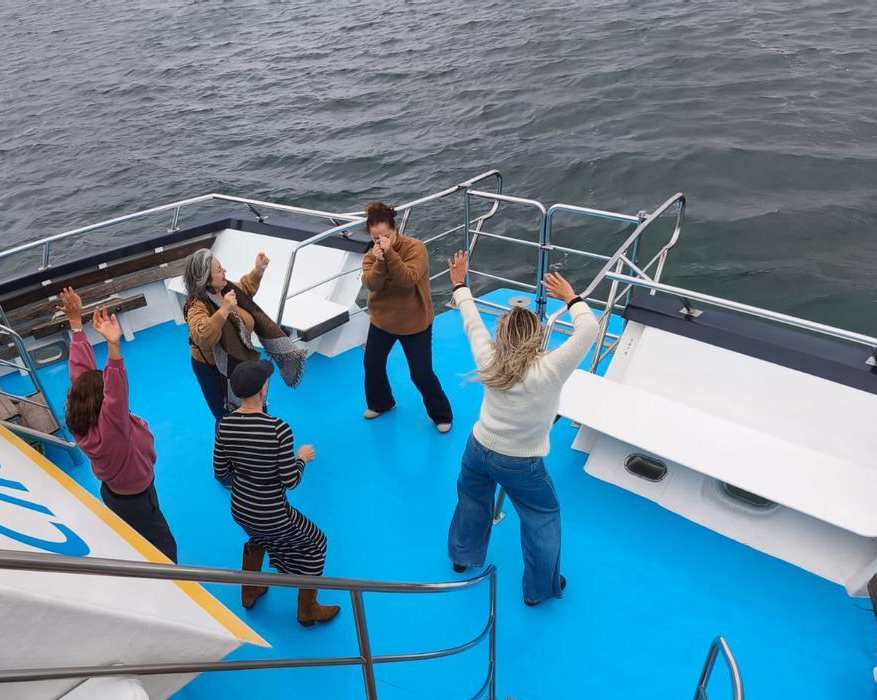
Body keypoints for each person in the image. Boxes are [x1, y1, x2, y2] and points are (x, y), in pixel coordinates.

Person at [443, 251, 599, 605]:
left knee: (472, 501)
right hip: (521, 461)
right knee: (542, 516)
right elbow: (588, 329)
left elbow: (471, 320)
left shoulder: (488, 357)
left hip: (478, 447)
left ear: (502, 334)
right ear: (537, 338)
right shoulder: (550, 368)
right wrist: (571, 297)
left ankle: (462, 557)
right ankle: (539, 589)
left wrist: (459, 283)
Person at [213, 358, 339, 626]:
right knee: (317, 543)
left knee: (258, 539)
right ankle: (308, 609)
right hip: (273, 513)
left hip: (241, 509)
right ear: (263, 390)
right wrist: (302, 458)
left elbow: (221, 470)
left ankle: (249, 591)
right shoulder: (278, 429)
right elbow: (290, 480)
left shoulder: (225, 425)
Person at [59, 286, 178, 562]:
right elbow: (115, 393)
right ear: (104, 405)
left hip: (113, 494)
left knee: (135, 540)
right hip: (139, 500)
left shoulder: (81, 420)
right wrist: (113, 348)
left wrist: (77, 324)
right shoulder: (113, 429)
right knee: (165, 549)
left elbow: (81, 375)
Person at [360, 201, 453, 433]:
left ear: (395, 229)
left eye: (385, 236)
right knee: (372, 364)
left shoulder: (415, 248)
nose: (380, 241)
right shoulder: (371, 255)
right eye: (375, 238)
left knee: (421, 374)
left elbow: (407, 279)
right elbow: (372, 284)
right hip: (382, 321)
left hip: (414, 322)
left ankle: (442, 414)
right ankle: (382, 403)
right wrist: (380, 260)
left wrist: (389, 255)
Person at [182, 248, 306, 422]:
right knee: (227, 418)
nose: (224, 271)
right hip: (215, 370)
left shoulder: (224, 289)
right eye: (219, 270)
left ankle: (255, 432)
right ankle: (230, 444)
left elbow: (243, 291)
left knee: (253, 406)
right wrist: (224, 309)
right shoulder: (196, 306)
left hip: (242, 360)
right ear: (206, 281)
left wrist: (258, 271)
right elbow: (201, 336)